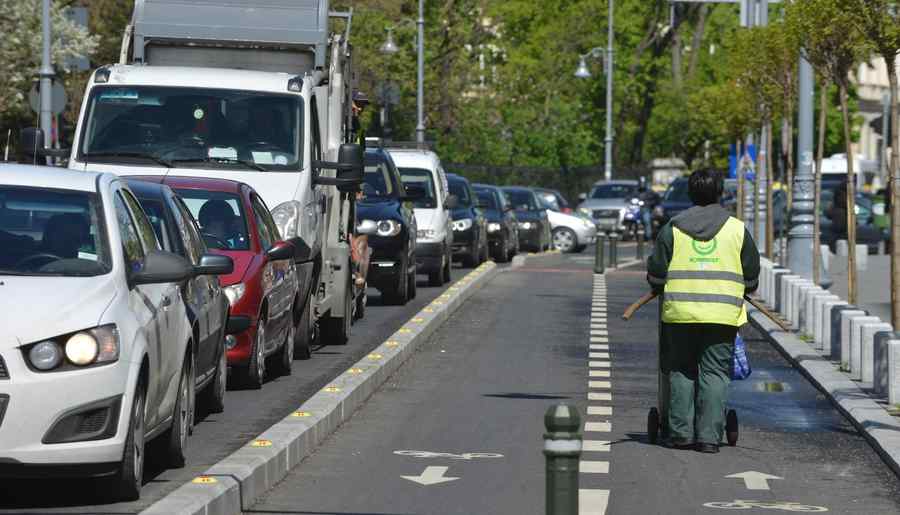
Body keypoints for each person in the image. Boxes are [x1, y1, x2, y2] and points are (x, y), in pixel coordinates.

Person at [646, 169, 760, 453]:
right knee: (715, 373)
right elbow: (751, 274)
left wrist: (658, 283)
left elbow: (657, 270)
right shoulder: (737, 229)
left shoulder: (672, 228)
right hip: (722, 315)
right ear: (720, 193)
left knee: (681, 370)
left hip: (680, 314)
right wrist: (745, 286)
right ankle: (709, 437)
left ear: (690, 194)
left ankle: (680, 434)